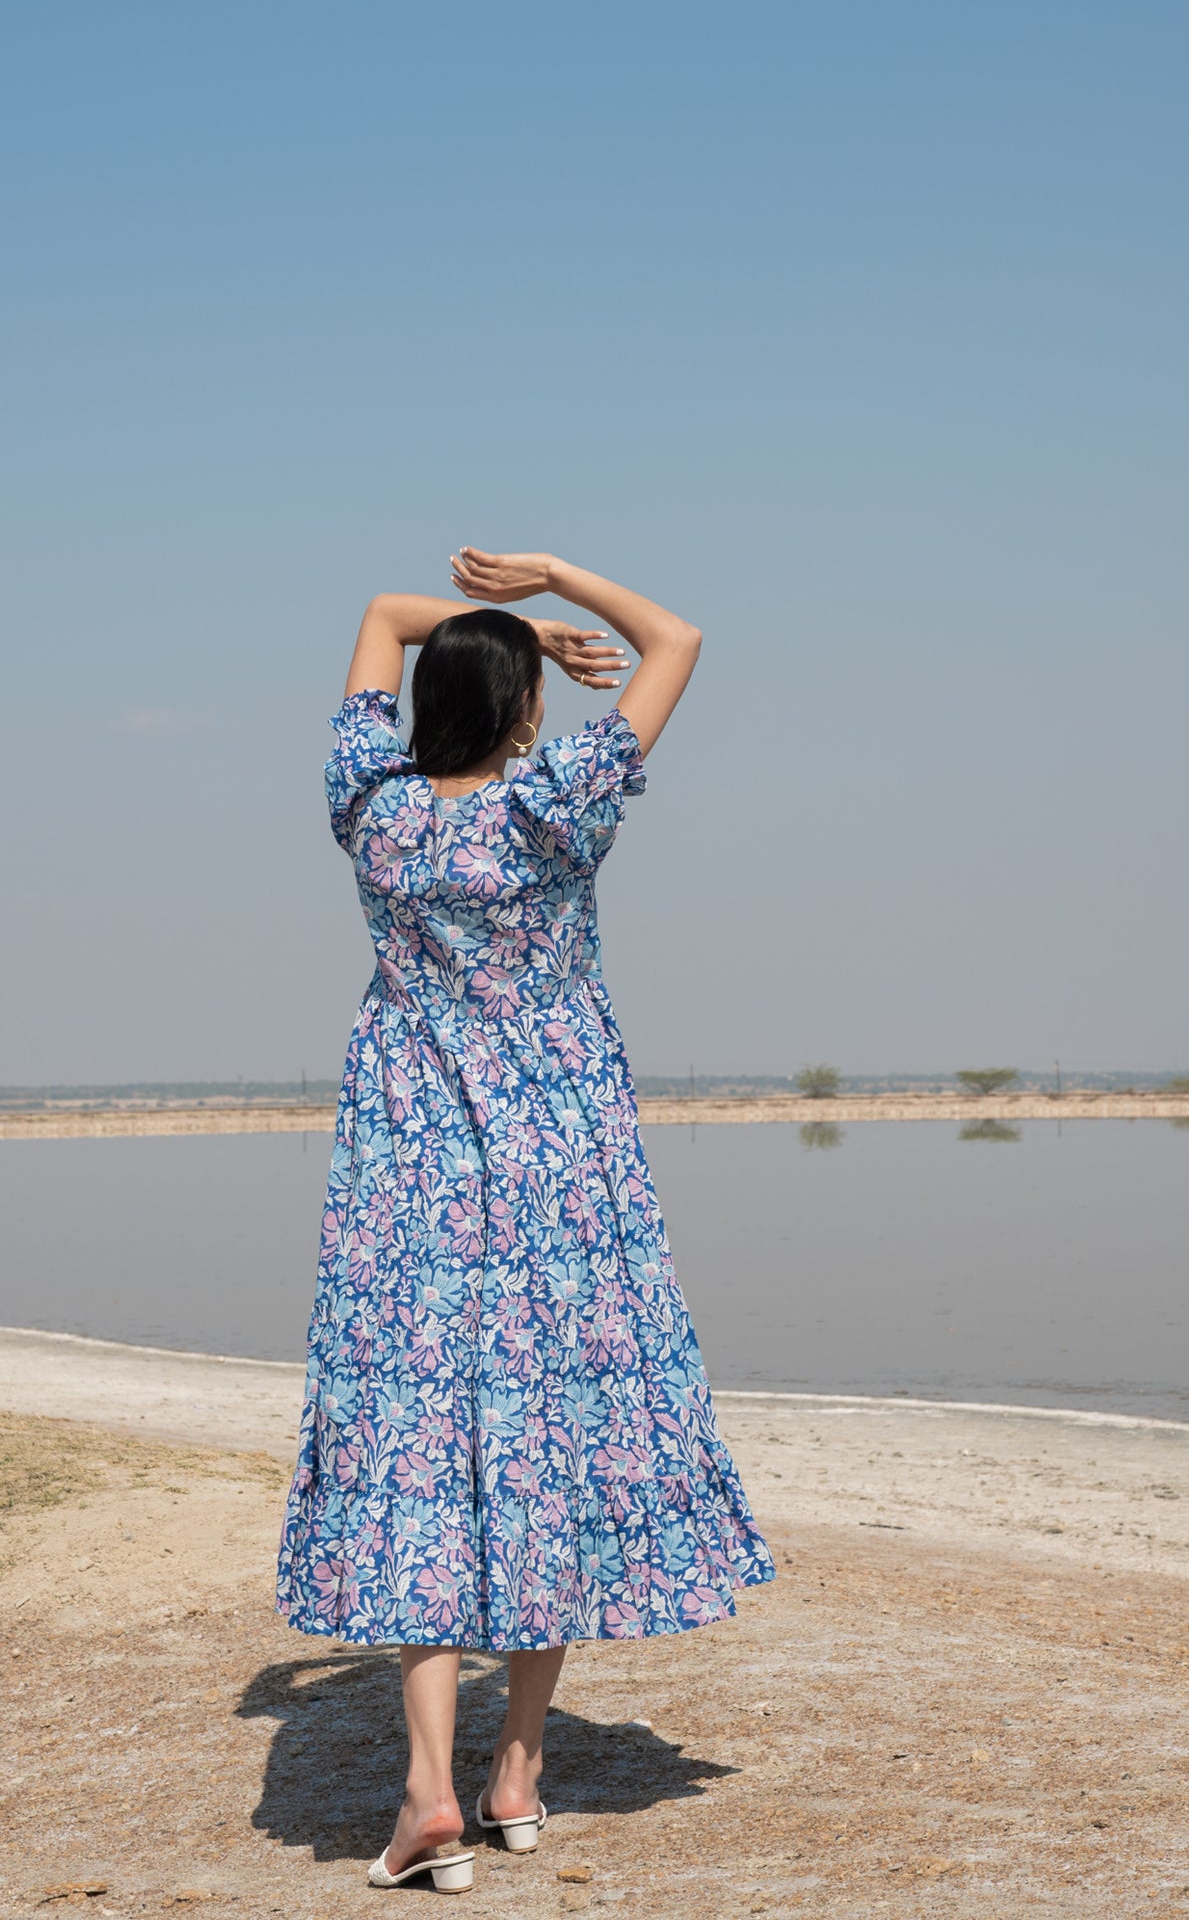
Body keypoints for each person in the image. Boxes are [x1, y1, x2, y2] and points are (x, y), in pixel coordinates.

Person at [275, 547, 776, 1894]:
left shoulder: (368, 809)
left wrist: (510, 637)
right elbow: (675, 636)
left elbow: (382, 613)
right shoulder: (554, 806)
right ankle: (518, 1772)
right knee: (546, 1436)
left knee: (417, 1457)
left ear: (424, 708)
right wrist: (556, 590)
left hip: (409, 1157)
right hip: (561, 1160)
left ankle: (430, 1793)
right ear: (518, 717)